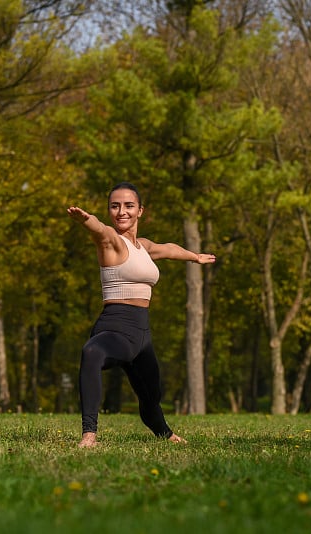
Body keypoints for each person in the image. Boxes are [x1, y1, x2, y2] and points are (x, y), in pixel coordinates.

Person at [67, 182, 216, 448]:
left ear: (140, 211)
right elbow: (100, 230)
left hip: (142, 337)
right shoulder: (111, 241)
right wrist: (87, 220)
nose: (121, 211)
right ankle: (89, 434)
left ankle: (165, 433)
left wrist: (194, 257)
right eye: (115, 206)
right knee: (91, 352)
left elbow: (168, 249)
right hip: (114, 331)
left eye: (128, 206)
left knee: (151, 396)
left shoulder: (143, 247)